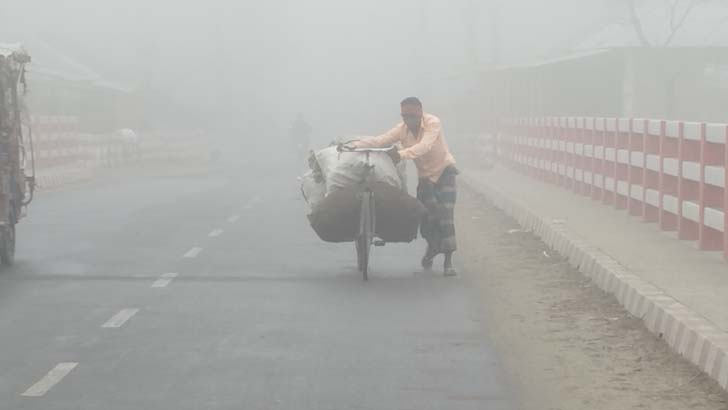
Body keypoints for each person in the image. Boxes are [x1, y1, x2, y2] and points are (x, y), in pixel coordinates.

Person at [349, 97, 459, 276]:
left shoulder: (433, 123)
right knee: (425, 217)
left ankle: (448, 261)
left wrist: (400, 154)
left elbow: (425, 146)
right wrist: (353, 146)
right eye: (405, 116)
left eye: (412, 116)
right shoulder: (402, 130)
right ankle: (433, 248)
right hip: (425, 178)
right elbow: (380, 141)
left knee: (445, 215)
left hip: (444, 172)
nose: (409, 120)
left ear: (420, 113)